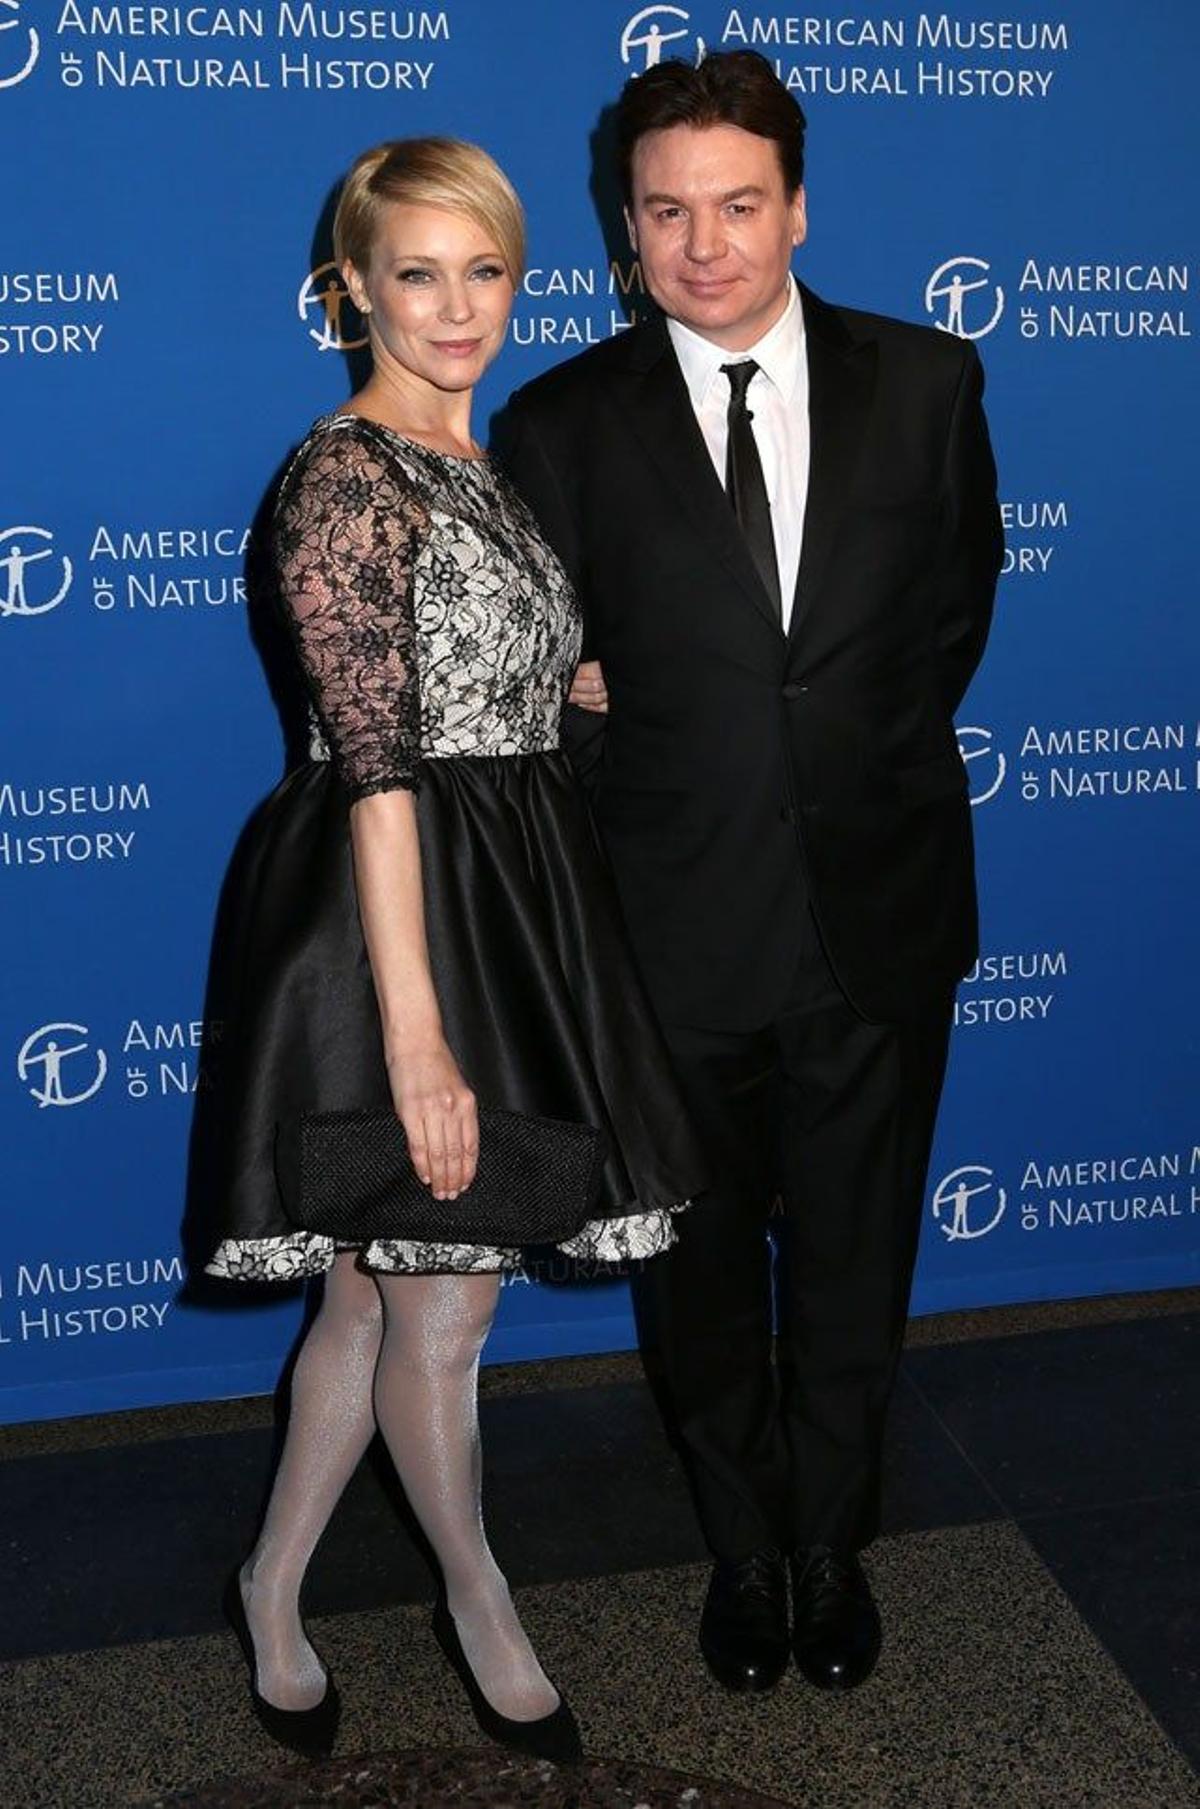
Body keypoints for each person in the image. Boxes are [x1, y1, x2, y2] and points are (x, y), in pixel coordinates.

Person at [499, 51, 1002, 1696]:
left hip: (879, 910)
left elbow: (947, 626)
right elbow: (539, 690)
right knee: (701, 1279)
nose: (703, 243)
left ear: (797, 206)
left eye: (736, 204)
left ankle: (830, 1546)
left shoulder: (928, 383)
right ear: (624, 227)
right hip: (671, 929)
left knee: (861, 1256)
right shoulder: (560, 422)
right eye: (666, 211)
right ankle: (738, 1548)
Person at [201, 136, 704, 1763]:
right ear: (351, 286)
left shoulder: (470, 455)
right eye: (418, 272)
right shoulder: (346, 476)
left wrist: (564, 684)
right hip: (394, 913)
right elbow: (377, 761)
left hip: (506, 882)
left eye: (484, 267)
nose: (458, 304)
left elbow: (465, 670)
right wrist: (418, 1041)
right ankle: (479, 1597)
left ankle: (271, 1583)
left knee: (369, 1292)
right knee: (443, 1308)